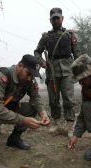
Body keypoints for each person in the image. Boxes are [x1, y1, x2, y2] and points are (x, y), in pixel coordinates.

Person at [0, 54, 50, 153]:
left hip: (8, 108)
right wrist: (24, 120)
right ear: (20, 66)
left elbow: (35, 98)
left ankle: (14, 138)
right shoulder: (1, 76)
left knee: (33, 108)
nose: (29, 78)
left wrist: (43, 113)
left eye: (32, 75)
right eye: (28, 73)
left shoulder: (28, 79)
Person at [34, 7, 81, 136]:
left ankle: (70, 125)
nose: (55, 20)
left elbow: (77, 54)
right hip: (52, 71)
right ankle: (56, 123)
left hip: (67, 71)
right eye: (53, 18)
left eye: (57, 18)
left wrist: (80, 70)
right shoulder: (46, 37)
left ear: (62, 19)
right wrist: (42, 62)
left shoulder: (70, 35)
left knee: (68, 99)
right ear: (50, 20)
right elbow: (37, 51)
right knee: (53, 99)